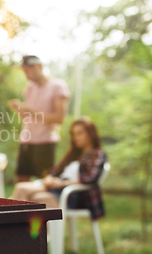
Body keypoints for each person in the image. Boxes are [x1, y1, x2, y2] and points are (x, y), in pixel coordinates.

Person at [10, 117, 106, 220]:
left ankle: (19, 232)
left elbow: (89, 179)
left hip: (72, 195)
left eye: (79, 133)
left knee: (31, 197)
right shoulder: (74, 154)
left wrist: (60, 183)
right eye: (73, 134)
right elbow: (55, 171)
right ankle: (26, 233)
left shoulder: (97, 154)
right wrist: (49, 178)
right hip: (55, 188)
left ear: (90, 133)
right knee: (21, 190)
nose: (76, 137)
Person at [8, 55, 70, 183]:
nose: (26, 75)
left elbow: (59, 118)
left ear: (36, 67)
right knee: (21, 180)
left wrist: (31, 111)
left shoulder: (58, 86)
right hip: (26, 140)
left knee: (46, 182)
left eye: (26, 71)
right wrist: (20, 108)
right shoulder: (30, 87)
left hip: (45, 141)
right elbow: (26, 116)